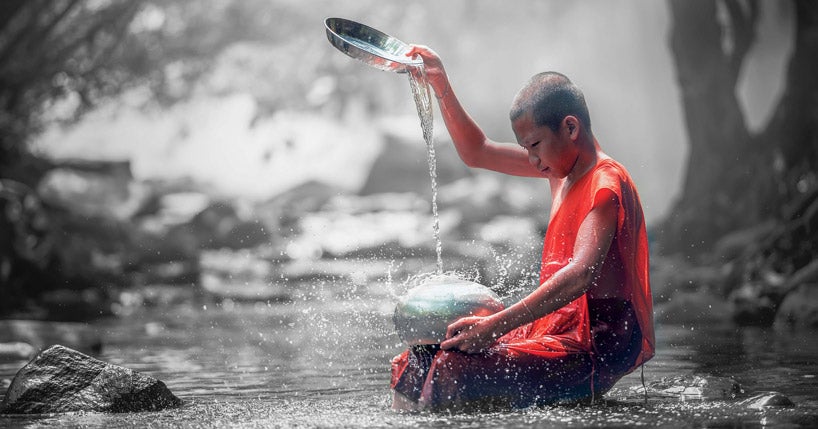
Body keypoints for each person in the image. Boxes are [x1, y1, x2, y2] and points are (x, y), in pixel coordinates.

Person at [390, 45, 655, 411]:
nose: (532, 161)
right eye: (525, 148)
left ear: (570, 128)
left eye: (534, 145)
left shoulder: (604, 183)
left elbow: (580, 275)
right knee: (416, 360)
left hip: (592, 347)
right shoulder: (559, 167)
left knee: (451, 367)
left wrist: (495, 326)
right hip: (553, 330)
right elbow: (477, 152)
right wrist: (441, 84)